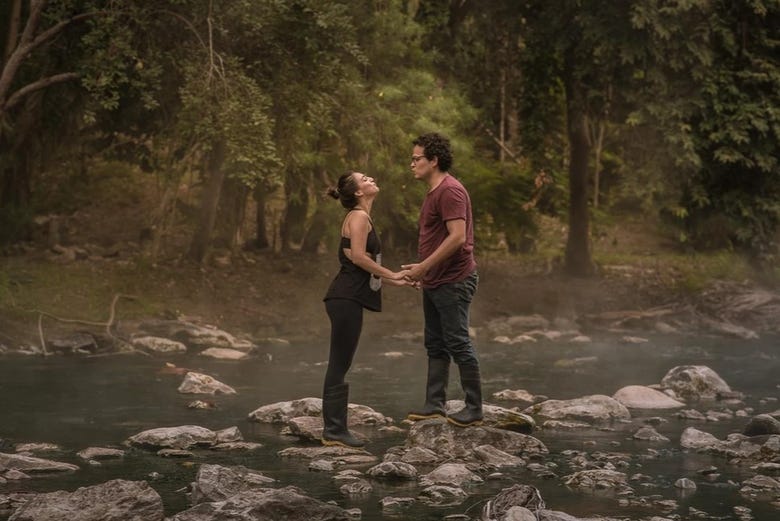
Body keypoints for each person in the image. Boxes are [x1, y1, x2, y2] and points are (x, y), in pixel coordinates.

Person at [322, 171, 411, 447]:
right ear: (359, 192)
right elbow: (360, 258)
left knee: (341, 362)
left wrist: (399, 280)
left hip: (347, 298)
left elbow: (359, 264)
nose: (371, 178)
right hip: (345, 298)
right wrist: (393, 274)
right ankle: (334, 431)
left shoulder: (361, 217)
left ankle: (335, 429)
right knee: (339, 363)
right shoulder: (359, 217)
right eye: (364, 178)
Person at [402, 132, 483, 427]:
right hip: (436, 280)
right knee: (435, 344)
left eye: (416, 159)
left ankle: (474, 408)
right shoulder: (434, 191)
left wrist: (424, 267)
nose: (412, 164)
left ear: (433, 160)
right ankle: (434, 405)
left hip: (454, 279)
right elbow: (436, 238)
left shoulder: (450, 191)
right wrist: (423, 269)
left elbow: (458, 238)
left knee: (458, 342)